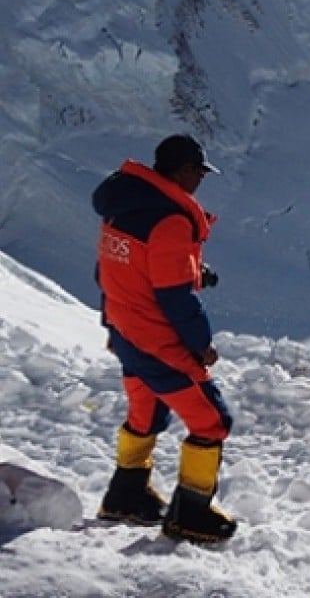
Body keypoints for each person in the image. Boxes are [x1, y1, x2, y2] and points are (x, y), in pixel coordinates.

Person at [93, 133, 236, 543]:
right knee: (212, 421)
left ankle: (126, 494)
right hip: (157, 341)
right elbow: (174, 296)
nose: (201, 180)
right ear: (184, 170)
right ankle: (191, 514)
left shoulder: (124, 208)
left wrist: (111, 324)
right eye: (199, 172)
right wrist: (200, 344)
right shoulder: (171, 220)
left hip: (125, 332)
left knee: (147, 412)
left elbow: (117, 270)